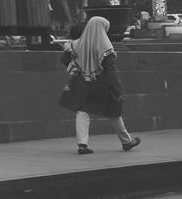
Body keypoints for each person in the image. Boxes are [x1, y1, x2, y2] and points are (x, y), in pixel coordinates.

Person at [59, 16, 141, 155]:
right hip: (101, 83)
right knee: (113, 111)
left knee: (83, 111)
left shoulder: (77, 44)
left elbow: (64, 59)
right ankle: (126, 141)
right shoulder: (106, 46)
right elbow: (111, 71)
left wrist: (77, 67)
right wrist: (117, 89)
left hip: (82, 82)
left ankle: (82, 145)